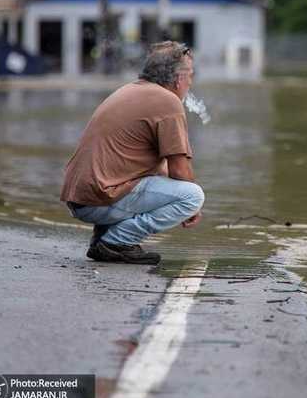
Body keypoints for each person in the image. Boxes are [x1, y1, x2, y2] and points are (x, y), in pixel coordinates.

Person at [61, 41, 204, 264]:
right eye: (190, 75)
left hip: (81, 197)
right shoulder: (167, 101)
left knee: (153, 175)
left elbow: (162, 168)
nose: (191, 82)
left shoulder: (130, 90)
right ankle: (117, 241)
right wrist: (193, 208)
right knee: (192, 196)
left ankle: (102, 240)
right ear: (179, 78)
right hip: (98, 199)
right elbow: (180, 169)